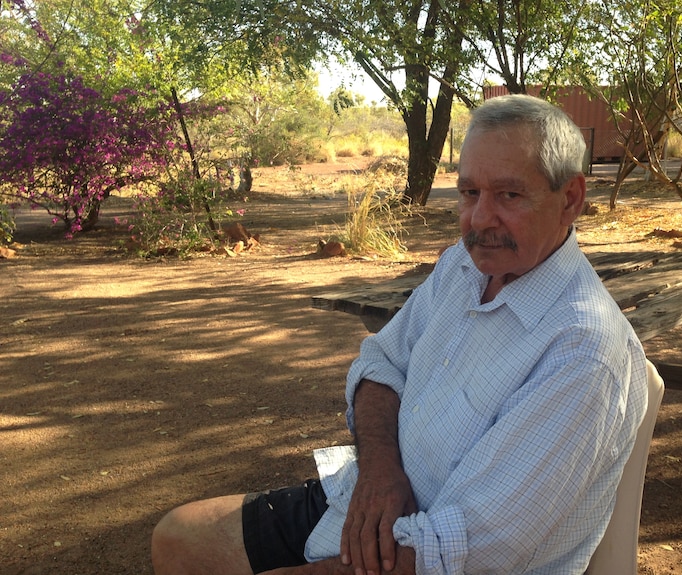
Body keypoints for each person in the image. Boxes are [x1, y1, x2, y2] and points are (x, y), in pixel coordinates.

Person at [151, 94, 648, 575]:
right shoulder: (465, 265)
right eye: (470, 192)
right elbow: (380, 363)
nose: (478, 219)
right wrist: (381, 471)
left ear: (571, 199)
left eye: (509, 195)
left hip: (425, 560)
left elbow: (463, 552)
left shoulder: (582, 352)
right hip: (359, 501)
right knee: (177, 538)